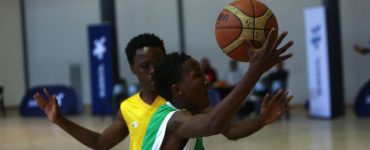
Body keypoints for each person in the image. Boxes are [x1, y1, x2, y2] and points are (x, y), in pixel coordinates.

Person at [142, 29, 294, 149]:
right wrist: (255, 70)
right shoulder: (171, 119)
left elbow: (231, 131)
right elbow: (213, 124)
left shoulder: (194, 113)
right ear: (178, 90)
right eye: (198, 75)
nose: (207, 81)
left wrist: (262, 119)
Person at [33, 33, 167, 150]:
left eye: (159, 63)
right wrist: (59, 120)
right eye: (145, 66)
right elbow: (101, 143)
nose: (153, 71)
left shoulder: (179, 99)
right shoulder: (128, 108)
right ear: (133, 69)